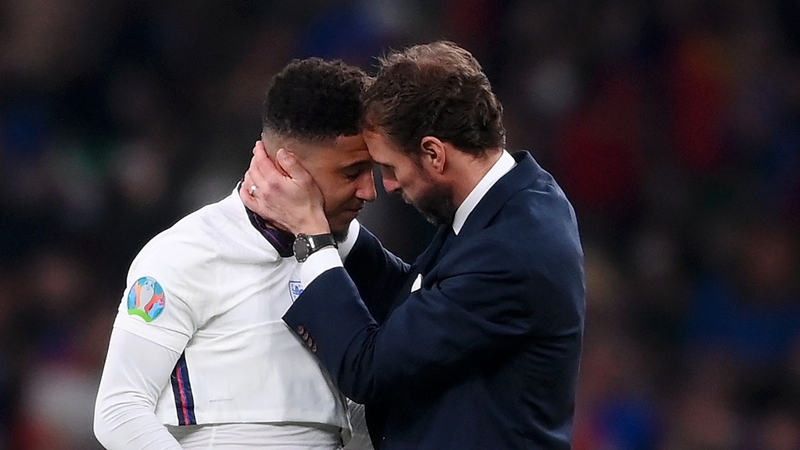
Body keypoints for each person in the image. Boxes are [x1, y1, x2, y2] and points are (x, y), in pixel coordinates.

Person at [242, 41, 586, 449]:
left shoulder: (514, 251)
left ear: (433, 153)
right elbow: (424, 305)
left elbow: (367, 367)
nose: (387, 185)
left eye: (389, 167)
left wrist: (313, 238)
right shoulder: (512, 202)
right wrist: (338, 229)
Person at [93, 57, 377, 449]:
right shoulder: (186, 252)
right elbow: (119, 411)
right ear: (286, 168)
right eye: (351, 173)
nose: (369, 191)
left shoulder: (347, 253)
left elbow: (365, 409)